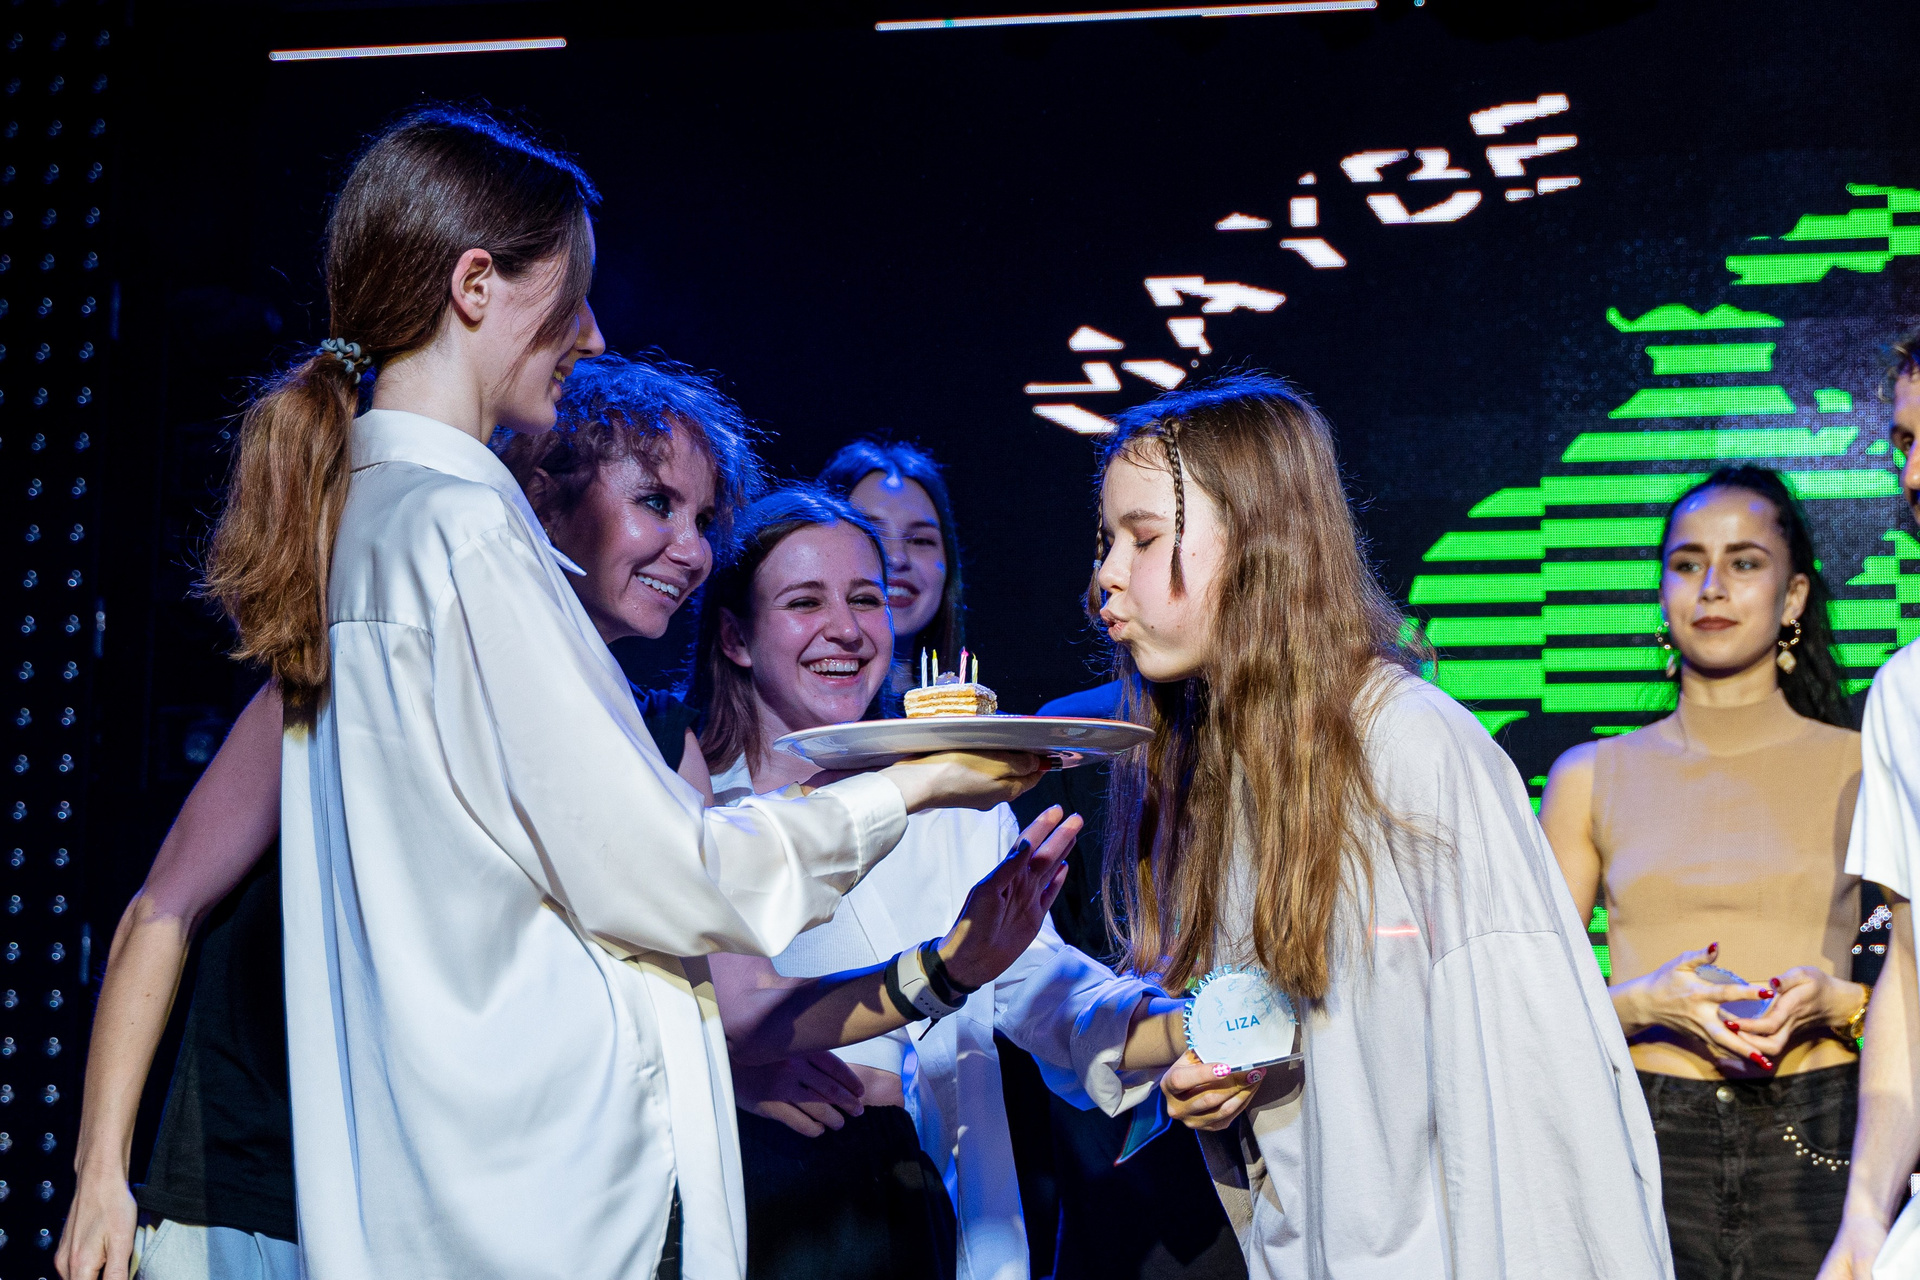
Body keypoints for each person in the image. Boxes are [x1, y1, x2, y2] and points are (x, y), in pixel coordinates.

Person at [203, 104, 1043, 1279]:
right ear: (476, 285)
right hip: (554, 1207)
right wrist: (916, 785)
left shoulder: (386, 521)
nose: (592, 336)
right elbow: (677, 874)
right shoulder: (460, 532)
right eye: (572, 297)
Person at [54, 353, 767, 1280]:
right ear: (541, 500)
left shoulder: (650, 743)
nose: (694, 550)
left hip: (444, 1218)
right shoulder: (366, 648)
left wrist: (918, 982)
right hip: (256, 1191)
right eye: (658, 503)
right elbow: (163, 908)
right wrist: (99, 1175)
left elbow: (699, 984)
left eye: (706, 522)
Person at [1083, 374, 1672, 1277]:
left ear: (1257, 540)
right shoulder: (1225, 764)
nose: (1107, 576)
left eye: (1145, 537)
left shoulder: (1411, 747)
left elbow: (1534, 1089)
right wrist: (1229, 1082)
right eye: (1106, 542)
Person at [694, 488, 1182, 1280]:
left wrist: (1175, 1026)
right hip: (756, 1221)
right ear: (734, 636)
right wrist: (729, 1070)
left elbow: (1037, 986)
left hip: (930, 1213)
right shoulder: (690, 806)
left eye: (866, 599)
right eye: (804, 602)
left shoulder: (954, 810)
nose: (845, 629)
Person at [1540, 466, 1870, 1280]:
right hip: (1647, 1131)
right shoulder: (1588, 775)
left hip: (1820, 1131)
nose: (1712, 586)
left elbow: (1913, 983)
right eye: (1687, 564)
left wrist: (1841, 1005)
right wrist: (1643, 1003)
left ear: (1794, 597)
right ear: (1662, 592)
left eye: (1744, 562)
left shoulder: (1866, 766)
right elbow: (1531, 1002)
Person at [1820, 329, 1920, 1280]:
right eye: (1904, 442)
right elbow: (1911, 973)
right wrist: (1863, 1216)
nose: (1914, 474)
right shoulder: (1904, 693)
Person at [818, 441, 963, 715]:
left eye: (920, 540)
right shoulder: (797, 728)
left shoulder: (986, 730)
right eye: (873, 536)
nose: (897, 558)